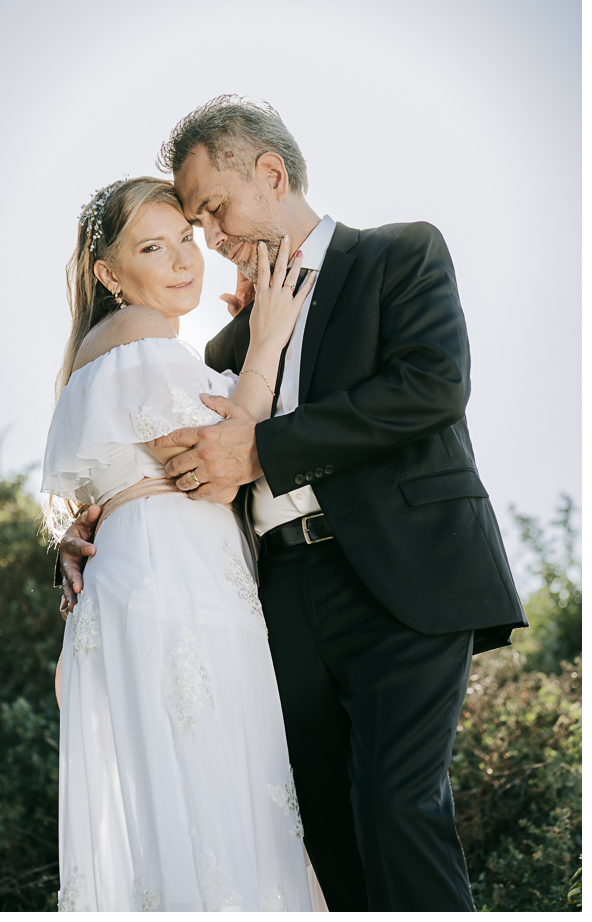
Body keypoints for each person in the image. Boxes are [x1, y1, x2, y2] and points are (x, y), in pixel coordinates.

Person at [60, 96, 528, 912]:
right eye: (190, 222)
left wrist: (265, 448)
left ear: (271, 174)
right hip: (277, 600)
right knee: (319, 829)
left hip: (405, 577)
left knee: (396, 803)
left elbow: (431, 386)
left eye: (212, 209)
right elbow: (126, 455)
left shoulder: (399, 254)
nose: (207, 237)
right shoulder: (226, 347)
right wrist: (74, 523)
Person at [43, 175, 318, 912]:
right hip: (171, 582)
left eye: (188, 240)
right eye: (153, 247)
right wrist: (266, 341)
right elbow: (215, 452)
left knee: (210, 790)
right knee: (208, 788)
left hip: (179, 572)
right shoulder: (134, 335)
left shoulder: (157, 346)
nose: (182, 260)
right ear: (109, 274)